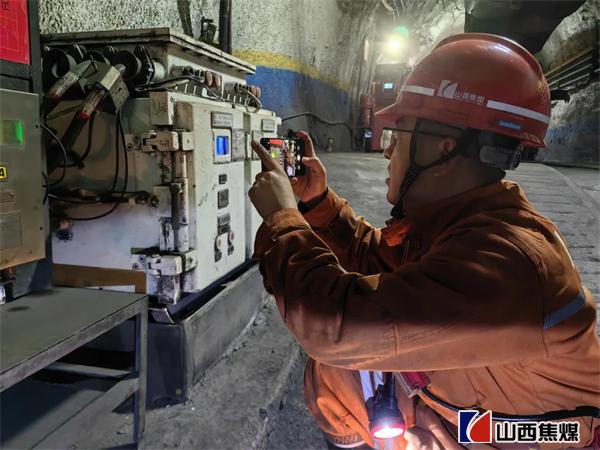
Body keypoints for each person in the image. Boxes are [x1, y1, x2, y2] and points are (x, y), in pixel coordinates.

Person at [248, 33, 600, 450]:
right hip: (472, 407)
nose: (387, 152)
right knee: (337, 377)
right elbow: (381, 263)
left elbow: (334, 325)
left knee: (347, 354)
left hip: (536, 437)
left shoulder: (510, 263)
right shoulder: (463, 223)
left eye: (398, 135)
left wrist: (283, 220)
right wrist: (317, 205)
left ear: (442, 149)